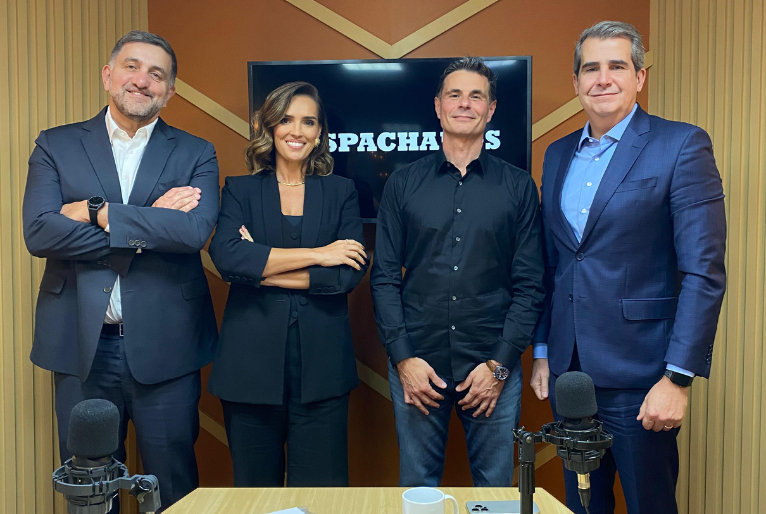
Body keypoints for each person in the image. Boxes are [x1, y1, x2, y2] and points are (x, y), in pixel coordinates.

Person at [530, 21, 726, 514]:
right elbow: (554, 263)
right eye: (590, 68)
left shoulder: (681, 144)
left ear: (639, 77)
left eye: (616, 66)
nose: (603, 78)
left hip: (644, 377)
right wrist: (542, 351)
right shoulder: (557, 154)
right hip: (572, 377)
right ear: (576, 81)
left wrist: (677, 378)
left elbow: (703, 272)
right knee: (582, 506)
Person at [22, 31, 219, 510]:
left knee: (171, 487)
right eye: (132, 67)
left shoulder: (196, 152)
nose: (142, 80)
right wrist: (152, 222)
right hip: (80, 346)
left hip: (168, 347)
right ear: (108, 75)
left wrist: (95, 212)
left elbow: (192, 233)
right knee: (90, 489)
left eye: (157, 74)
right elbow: (41, 234)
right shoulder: (56, 144)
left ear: (170, 91)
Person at [370, 57, 545, 487]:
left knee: (497, 495)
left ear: (491, 109)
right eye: (455, 95)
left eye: (476, 96)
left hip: (492, 367)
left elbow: (530, 285)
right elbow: (385, 278)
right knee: (417, 491)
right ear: (438, 106)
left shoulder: (518, 187)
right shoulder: (403, 184)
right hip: (418, 366)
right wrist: (403, 359)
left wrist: (499, 368)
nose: (464, 104)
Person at [207, 81, 368, 487]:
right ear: (270, 126)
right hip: (248, 370)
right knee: (254, 496)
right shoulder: (240, 189)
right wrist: (320, 254)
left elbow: (346, 274)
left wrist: (261, 268)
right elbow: (227, 259)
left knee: (322, 498)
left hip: (323, 371)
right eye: (286, 120)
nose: (297, 131)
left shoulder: (342, 192)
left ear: (320, 132)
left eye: (308, 122)